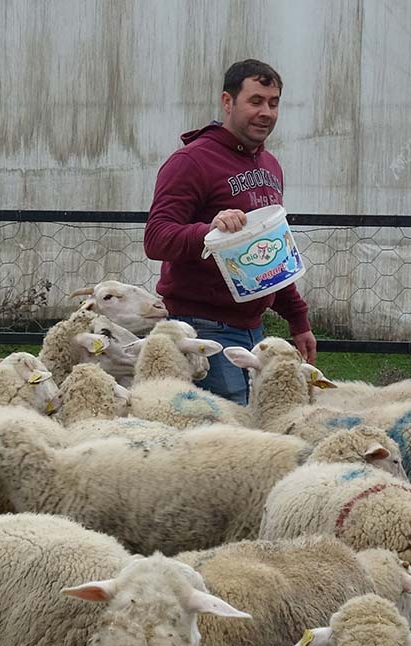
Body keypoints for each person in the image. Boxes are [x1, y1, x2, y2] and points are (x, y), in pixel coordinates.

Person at [143, 59, 315, 405]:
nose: (266, 112)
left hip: (253, 329)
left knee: (254, 424)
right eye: (255, 101)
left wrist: (298, 319)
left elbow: (267, 255)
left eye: (274, 102)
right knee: (231, 438)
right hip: (203, 327)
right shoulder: (191, 162)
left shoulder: (269, 166)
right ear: (227, 102)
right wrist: (210, 232)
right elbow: (157, 237)